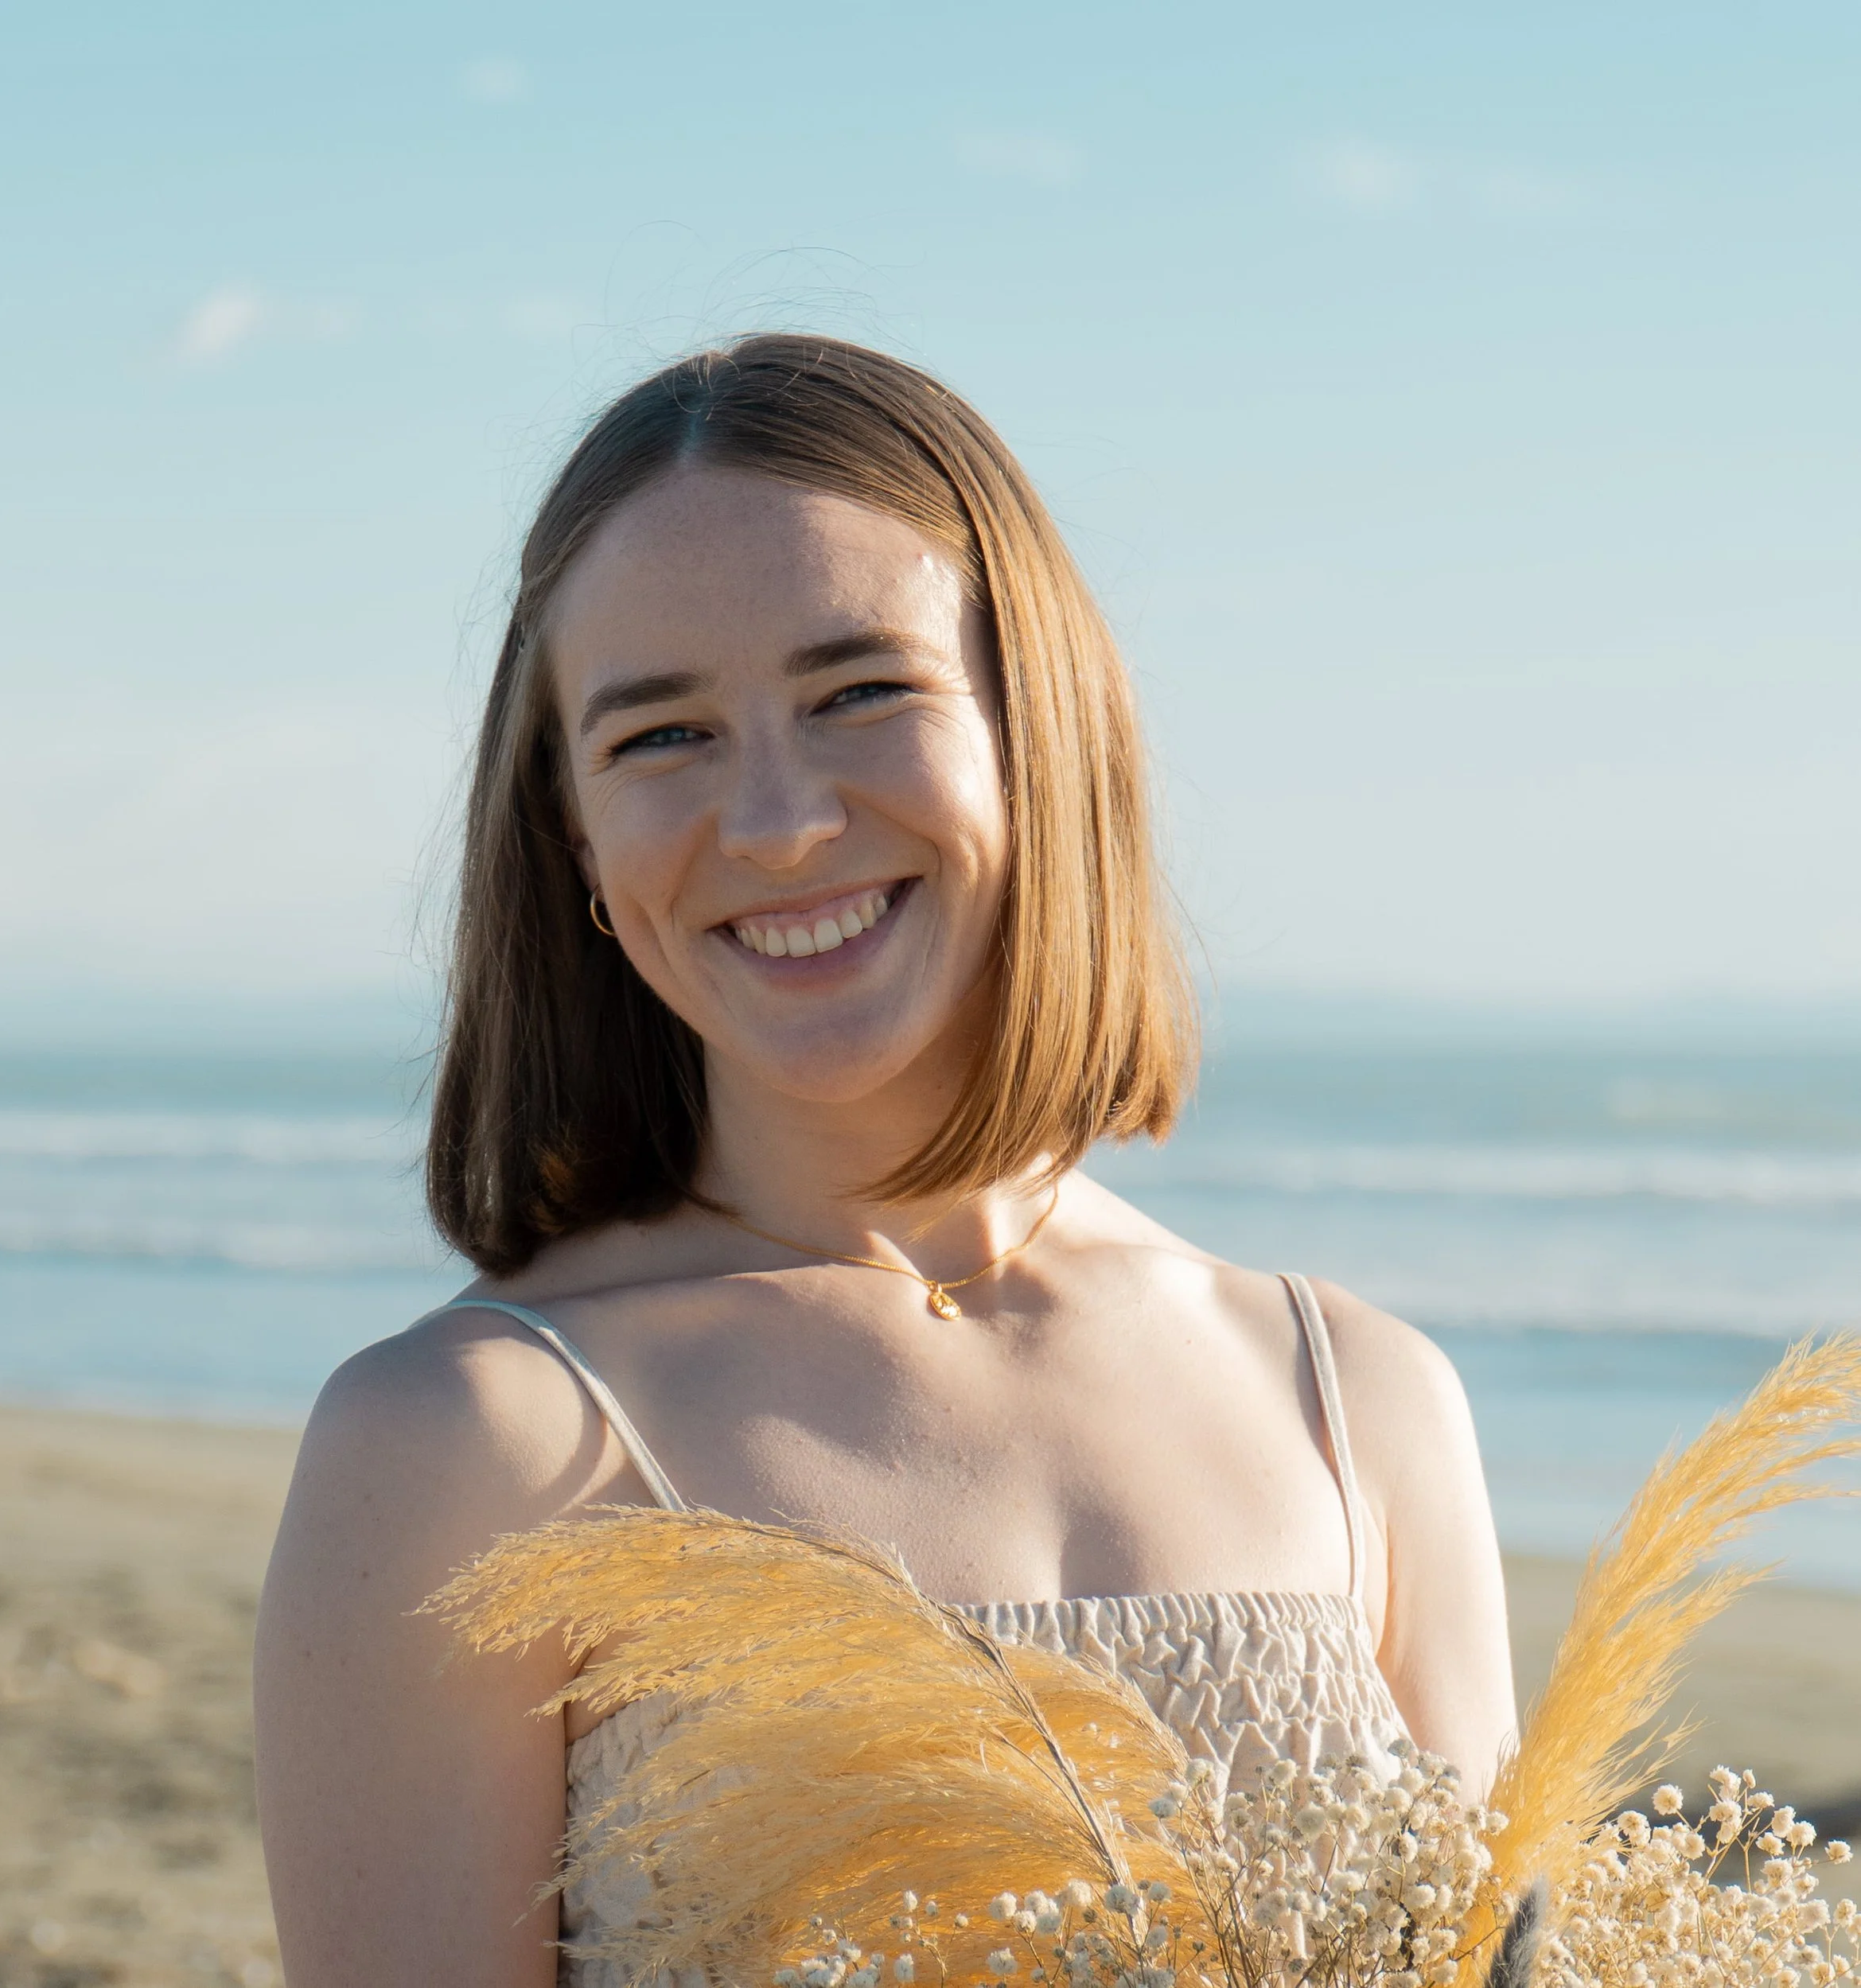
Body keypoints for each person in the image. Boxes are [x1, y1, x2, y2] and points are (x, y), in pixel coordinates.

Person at [252, 335, 1515, 1988]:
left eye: (859, 693)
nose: (773, 822)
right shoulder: (468, 1446)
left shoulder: (1354, 1398)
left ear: (1036, 724)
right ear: (574, 837)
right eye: (659, 738)